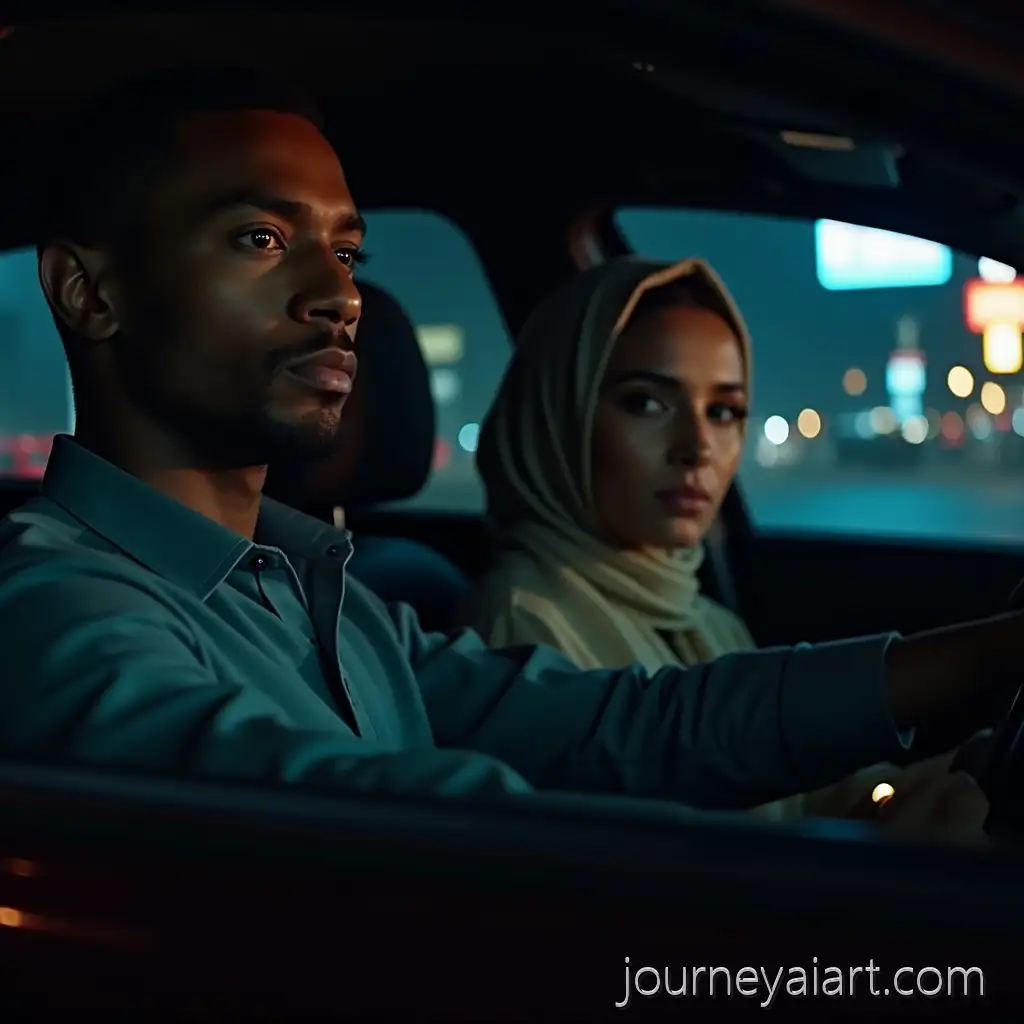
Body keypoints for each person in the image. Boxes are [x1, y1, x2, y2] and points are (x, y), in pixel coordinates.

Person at [0, 64, 1007, 841]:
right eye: (261, 239)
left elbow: (617, 728)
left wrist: (983, 655)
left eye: (346, 253)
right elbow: (373, 822)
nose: (339, 295)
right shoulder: (55, 612)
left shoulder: (327, 595)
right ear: (90, 292)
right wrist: (839, 867)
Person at [463, 256, 947, 821]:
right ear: (556, 414)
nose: (697, 447)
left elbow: (791, 796)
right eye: (646, 403)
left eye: (723, 411)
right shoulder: (518, 628)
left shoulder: (701, 616)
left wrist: (937, 787)